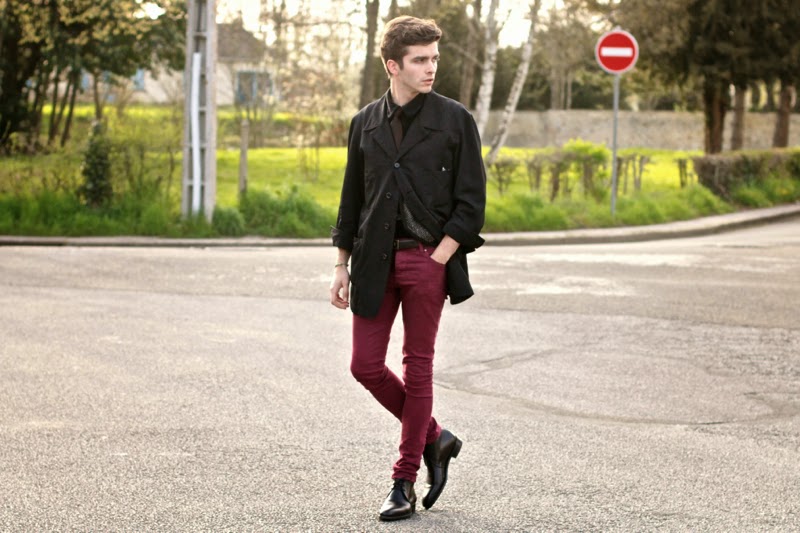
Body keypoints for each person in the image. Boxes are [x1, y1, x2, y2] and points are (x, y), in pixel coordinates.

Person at [329, 15, 486, 522]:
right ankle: (435, 437)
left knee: (418, 367)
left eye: (434, 58)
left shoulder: (455, 120)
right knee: (364, 366)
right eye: (420, 60)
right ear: (392, 65)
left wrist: (439, 256)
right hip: (371, 260)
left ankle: (404, 480)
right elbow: (351, 200)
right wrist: (340, 264)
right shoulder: (365, 123)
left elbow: (472, 202)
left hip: (426, 260)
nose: (431, 68)